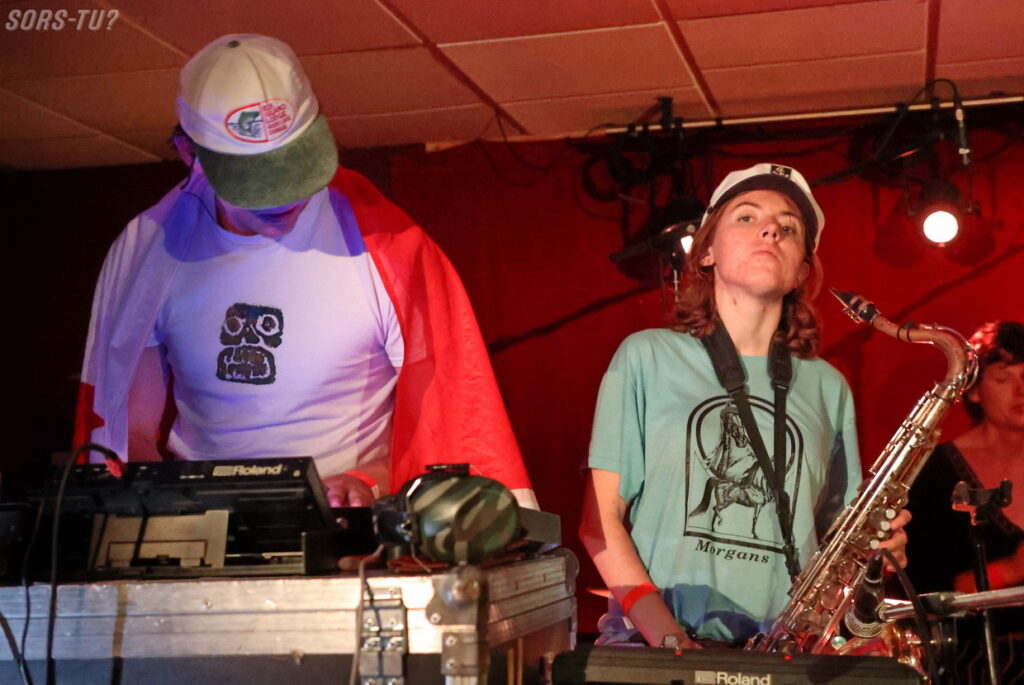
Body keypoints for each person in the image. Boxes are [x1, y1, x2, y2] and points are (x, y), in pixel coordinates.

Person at [74, 34, 536, 509]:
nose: (286, 198)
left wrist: (365, 480)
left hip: (347, 519)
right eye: (256, 182)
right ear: (190, 155)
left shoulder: (388, 247)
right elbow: (125, 429)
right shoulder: (149, 250)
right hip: (202, 517)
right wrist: (159, 503)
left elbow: (441, 425)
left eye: (294, 170)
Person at [579, 163, 910, 649]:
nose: (770, 230)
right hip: (655, 648)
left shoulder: (829, 387)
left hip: (786, 653)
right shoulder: (646, 355)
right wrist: (668, 638)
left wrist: (878, 550)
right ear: (706, 251)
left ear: (801, 272)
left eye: (788, 227)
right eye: (747, 217)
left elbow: (837, 545)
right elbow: (599, 523)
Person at [906, 321, 1023, 681]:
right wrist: (1011, 571)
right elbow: (925, 599)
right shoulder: (934, 473)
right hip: (978, 663)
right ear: (973, 392)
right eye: (1003, 379)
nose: (1021, 390)